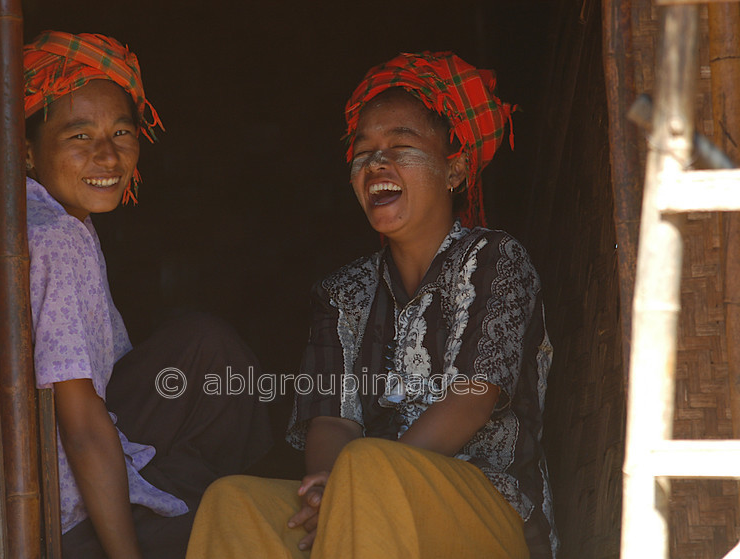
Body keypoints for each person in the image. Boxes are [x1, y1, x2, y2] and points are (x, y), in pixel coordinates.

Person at [185, 52, 558, 559]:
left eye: (401, 146)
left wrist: (361, 486)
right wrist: (330, 492)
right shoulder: (343, 293)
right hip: (362, 494)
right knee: (233, 503)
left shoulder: (495, 259)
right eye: (364, 153)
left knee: (369, 467)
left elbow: (472, 398)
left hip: (486, 507)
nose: (376, 164)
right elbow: (333, 420)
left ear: (455, 170)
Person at [23, 31, 272, 558]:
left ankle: (193, 489)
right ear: (27, 150)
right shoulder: (58, 237)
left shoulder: (42, 213)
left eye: (121, 133)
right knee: (248, 533)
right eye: (79, 136)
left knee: (204, 344)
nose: (108, 156)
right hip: (65, 507)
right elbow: (83, 424)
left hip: (71, 451)